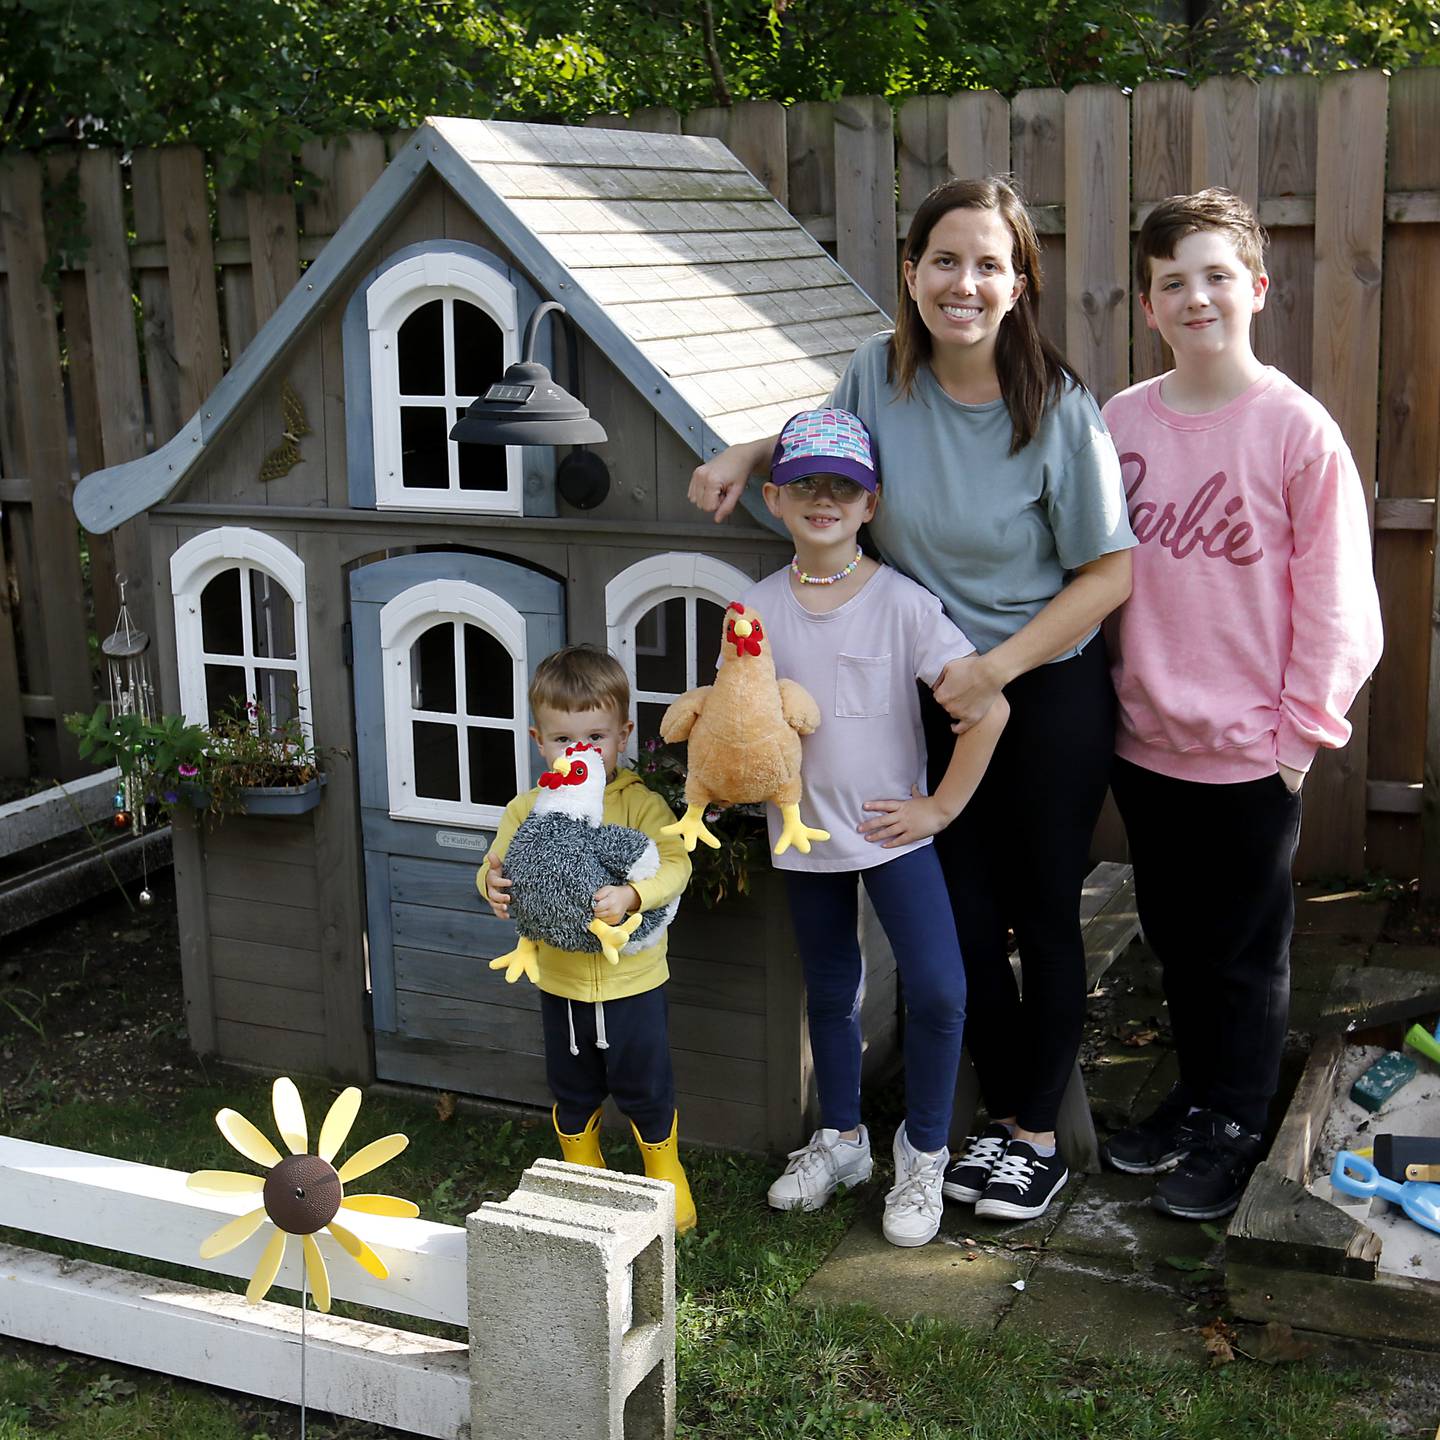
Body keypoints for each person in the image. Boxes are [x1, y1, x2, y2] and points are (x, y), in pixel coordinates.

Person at [691, 178, 1135, 1223]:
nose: (964, 283)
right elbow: (815, 448)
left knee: (1042, 910)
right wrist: (744, 455)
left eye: (989, 265)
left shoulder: (1057, 409)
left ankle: (1031, 1135)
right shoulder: (875, 374)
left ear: (1019, 284)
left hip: (1046, 682)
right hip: (931, 685)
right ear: (910, 271)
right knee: (963, 922)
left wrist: (1001, 667)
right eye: (945, 260)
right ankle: (977, 1116)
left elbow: (1108, 575)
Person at [1099, 188, 1383, 1220]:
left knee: (1245, 952)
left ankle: (1239, 1119)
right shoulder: (1121, 421)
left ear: (1257, 288)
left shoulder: (1296, 431)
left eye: (1217, 275)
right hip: (1146, 739)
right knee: (1176, 939)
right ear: (1147, 305)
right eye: (1172, 281)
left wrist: (1298, 743)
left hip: (1253, 753)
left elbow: (1340, 603)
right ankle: (1198, 1096)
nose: (1197, 296)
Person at [747, 407, 1007, 1247]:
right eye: (806, 483)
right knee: (830, 988)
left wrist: (942, 806)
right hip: (805, 836)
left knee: (939, 988)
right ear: (775, 499)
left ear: (870, 505)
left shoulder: (903, 604)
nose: (824, 497)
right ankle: (843, 1140)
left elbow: (988, 707)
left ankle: (923, 1155)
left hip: (897, 833)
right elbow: (738, 721)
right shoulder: (751, 610)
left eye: (844, 485)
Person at [478, 646, 697, 1230]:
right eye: (562, 739)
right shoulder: (530, 808)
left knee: (645, 1084)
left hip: (634, 981)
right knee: (571, 1086)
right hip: (562, 981)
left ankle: (663, 1171)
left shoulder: (640, 804)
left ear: (623, 735)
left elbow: (676, 863)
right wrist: (492, 884)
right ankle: (582, 1171)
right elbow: (499, 862)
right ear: (537, 739)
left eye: (594, 738)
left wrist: (634, 895)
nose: (579, 752)